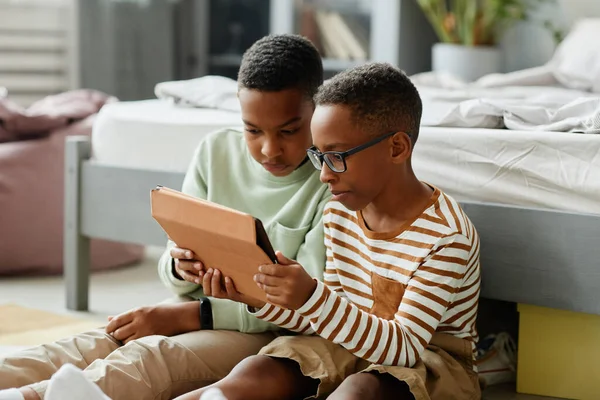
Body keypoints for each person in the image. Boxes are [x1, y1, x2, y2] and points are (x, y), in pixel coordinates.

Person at [0, 33, 329, 400]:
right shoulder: (215, 150)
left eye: (288, 131)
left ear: (319, 109)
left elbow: (309, 305)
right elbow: (171, 268)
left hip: (263, 334)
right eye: (252, 130)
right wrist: (180, 267)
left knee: (149, 358)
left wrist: (188, 317)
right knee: (94, 341)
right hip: (192, 308)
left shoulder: (331, 182)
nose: (269, 149)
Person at [176, 62, 482, 400]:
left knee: (360, 389)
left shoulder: (446, 236)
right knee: (259, 370)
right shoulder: (339, 212)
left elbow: (404, 348)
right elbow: (326, 319)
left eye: (336, 157)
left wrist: (310, 296)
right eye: (318, 156)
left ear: (396, 148)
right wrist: (255, 297)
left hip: (429, 361)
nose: (323, 175)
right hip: (349, 341)